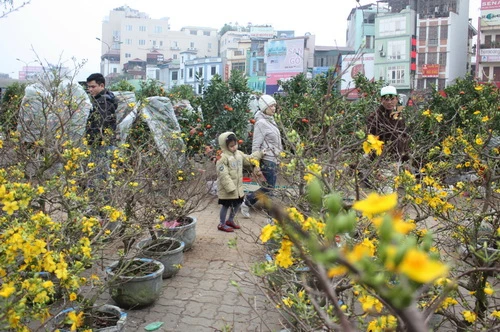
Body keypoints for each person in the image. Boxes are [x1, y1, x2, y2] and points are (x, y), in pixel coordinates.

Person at [241, 94, 282, 218]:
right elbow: (256, 145)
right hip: (267, 159)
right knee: (269, 188)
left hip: (274, 159)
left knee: (269, 188)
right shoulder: (261, 123)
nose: (274, 108)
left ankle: (248, 202)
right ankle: (267, 214)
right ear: (265, 107)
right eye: (271, 106)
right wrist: (255, 165)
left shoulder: (271, 121)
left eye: (275, 105)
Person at [216, 132, 264, 232]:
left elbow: (249, 159)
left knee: (238, 204)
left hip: (238, 188)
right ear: (225, 146)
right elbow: (223, 174)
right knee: (226, 205)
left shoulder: (239, 154)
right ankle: (222, 223)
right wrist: (230, 187)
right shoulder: (222, 158)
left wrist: (260, 153)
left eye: (235, 145)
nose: (234, 147)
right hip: (228, 188)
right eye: (231, 146)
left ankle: (230, 220)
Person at [85, 73, 118, 201]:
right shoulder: (102, 100)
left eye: (93, 87)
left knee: (100, 175)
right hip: (101, 143)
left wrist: (93, 138)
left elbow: (101, 125)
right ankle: (101, 201)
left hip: (101, 143)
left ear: (102, 85)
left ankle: (102, 202)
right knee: (100, 173)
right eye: (89, 87)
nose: (90, 90)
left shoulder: (104, 102)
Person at [366, 85, 409, 162]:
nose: (389, 102)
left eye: (392, 99)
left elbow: (404, 137)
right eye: (386, 99)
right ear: (381, 100)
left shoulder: (399, 116)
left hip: (398, 158)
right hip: (381, 158)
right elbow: (371, 138)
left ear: (397, 99)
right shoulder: (374, 117)